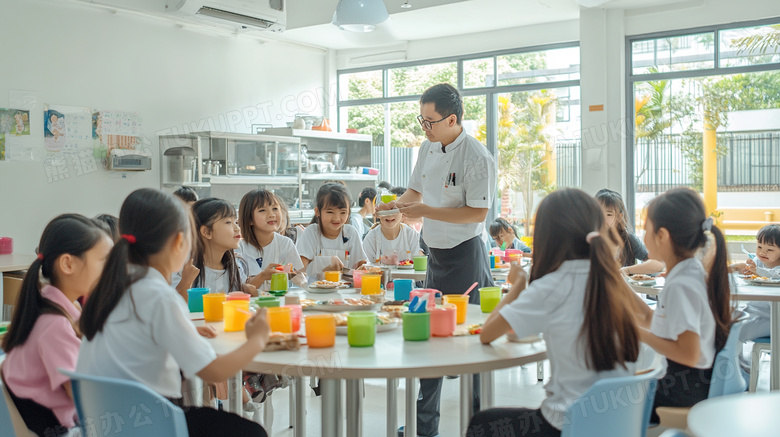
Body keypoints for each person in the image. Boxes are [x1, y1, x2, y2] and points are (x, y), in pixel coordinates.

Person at [77, 188, 269, 437]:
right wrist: (258, 339)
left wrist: (185, 329)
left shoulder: (112, 287)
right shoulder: (160, 295)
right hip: (153, 423)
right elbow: (213, 371)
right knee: (252, 433)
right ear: (180, 242)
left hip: (107, 423)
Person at [469, 189, 640, 436]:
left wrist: (518, 284)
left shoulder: (551, 286)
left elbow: (487, 334)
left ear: (548, 236)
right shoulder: (611, 279)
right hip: (617, 424)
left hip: (569, 424)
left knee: (482, 424)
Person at [380, 83, 496, 437]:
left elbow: (477, 214)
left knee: (471, 342)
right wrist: (395, 206)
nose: (424, 127)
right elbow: (415, 191)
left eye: (429, 121)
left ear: (452, 118)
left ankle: (478, 426)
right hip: (434, 256)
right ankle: (424, 428)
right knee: (427, 337)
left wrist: (425, 210)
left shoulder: (477, 157)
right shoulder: (428, 147)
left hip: (466, 257)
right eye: (421, 119)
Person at [1, 215, 113, 437]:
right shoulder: (55, 325)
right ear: (68, 264)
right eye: (104, 261)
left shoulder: (47, 305)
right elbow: (82, 397)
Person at [631, 188, 732, 423]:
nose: (643, 237)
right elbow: (649, 318)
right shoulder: (689, 271)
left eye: (646, 230)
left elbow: (688, 353)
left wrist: (636, 333)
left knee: (603, 399)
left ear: (662, 235)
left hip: (684, 389)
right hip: (692, 381)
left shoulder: (681, 285)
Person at [179, 197, 253, 296]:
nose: (237, 228)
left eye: (236, 222)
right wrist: (185, 284)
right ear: (207, 232)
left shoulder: (236, 267)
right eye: (228, 222)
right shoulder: (184, 267)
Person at [297, 183, 367, 280]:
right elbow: (299, 269)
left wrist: (364, 268)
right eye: (330, 212)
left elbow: (361, 263)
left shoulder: (350, 233)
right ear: (317, 211)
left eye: (343, 212)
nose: (337, 218)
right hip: (315, 293)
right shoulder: (311, 232)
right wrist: (326, 262)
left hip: (345, 292)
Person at [237, 189, 304, 292]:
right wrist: (263, 276)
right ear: (249, 219)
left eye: (275, 208)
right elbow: (240, 290)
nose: (272, 214)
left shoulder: (285, 243)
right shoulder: (239, 249)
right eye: (262, 210)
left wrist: (306, 285)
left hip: (279, 303)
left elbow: (298, 275)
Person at [595, 188, 664, 275]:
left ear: (619, 217)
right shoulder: (588, 239)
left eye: (609, 214)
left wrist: (625, 270)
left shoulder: (629, 240)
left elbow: (658, 264)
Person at [730, 224, 780, 344]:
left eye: (770, 249)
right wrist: (742, 269)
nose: (762, 252)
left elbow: (775, 274)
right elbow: (751, 272)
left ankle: (733, 360)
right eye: (759, 246)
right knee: (726, 320)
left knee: (737, 330)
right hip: (753, 310)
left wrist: (756, 270)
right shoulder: (759, 261)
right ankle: (735, 358)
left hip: (772, 318)